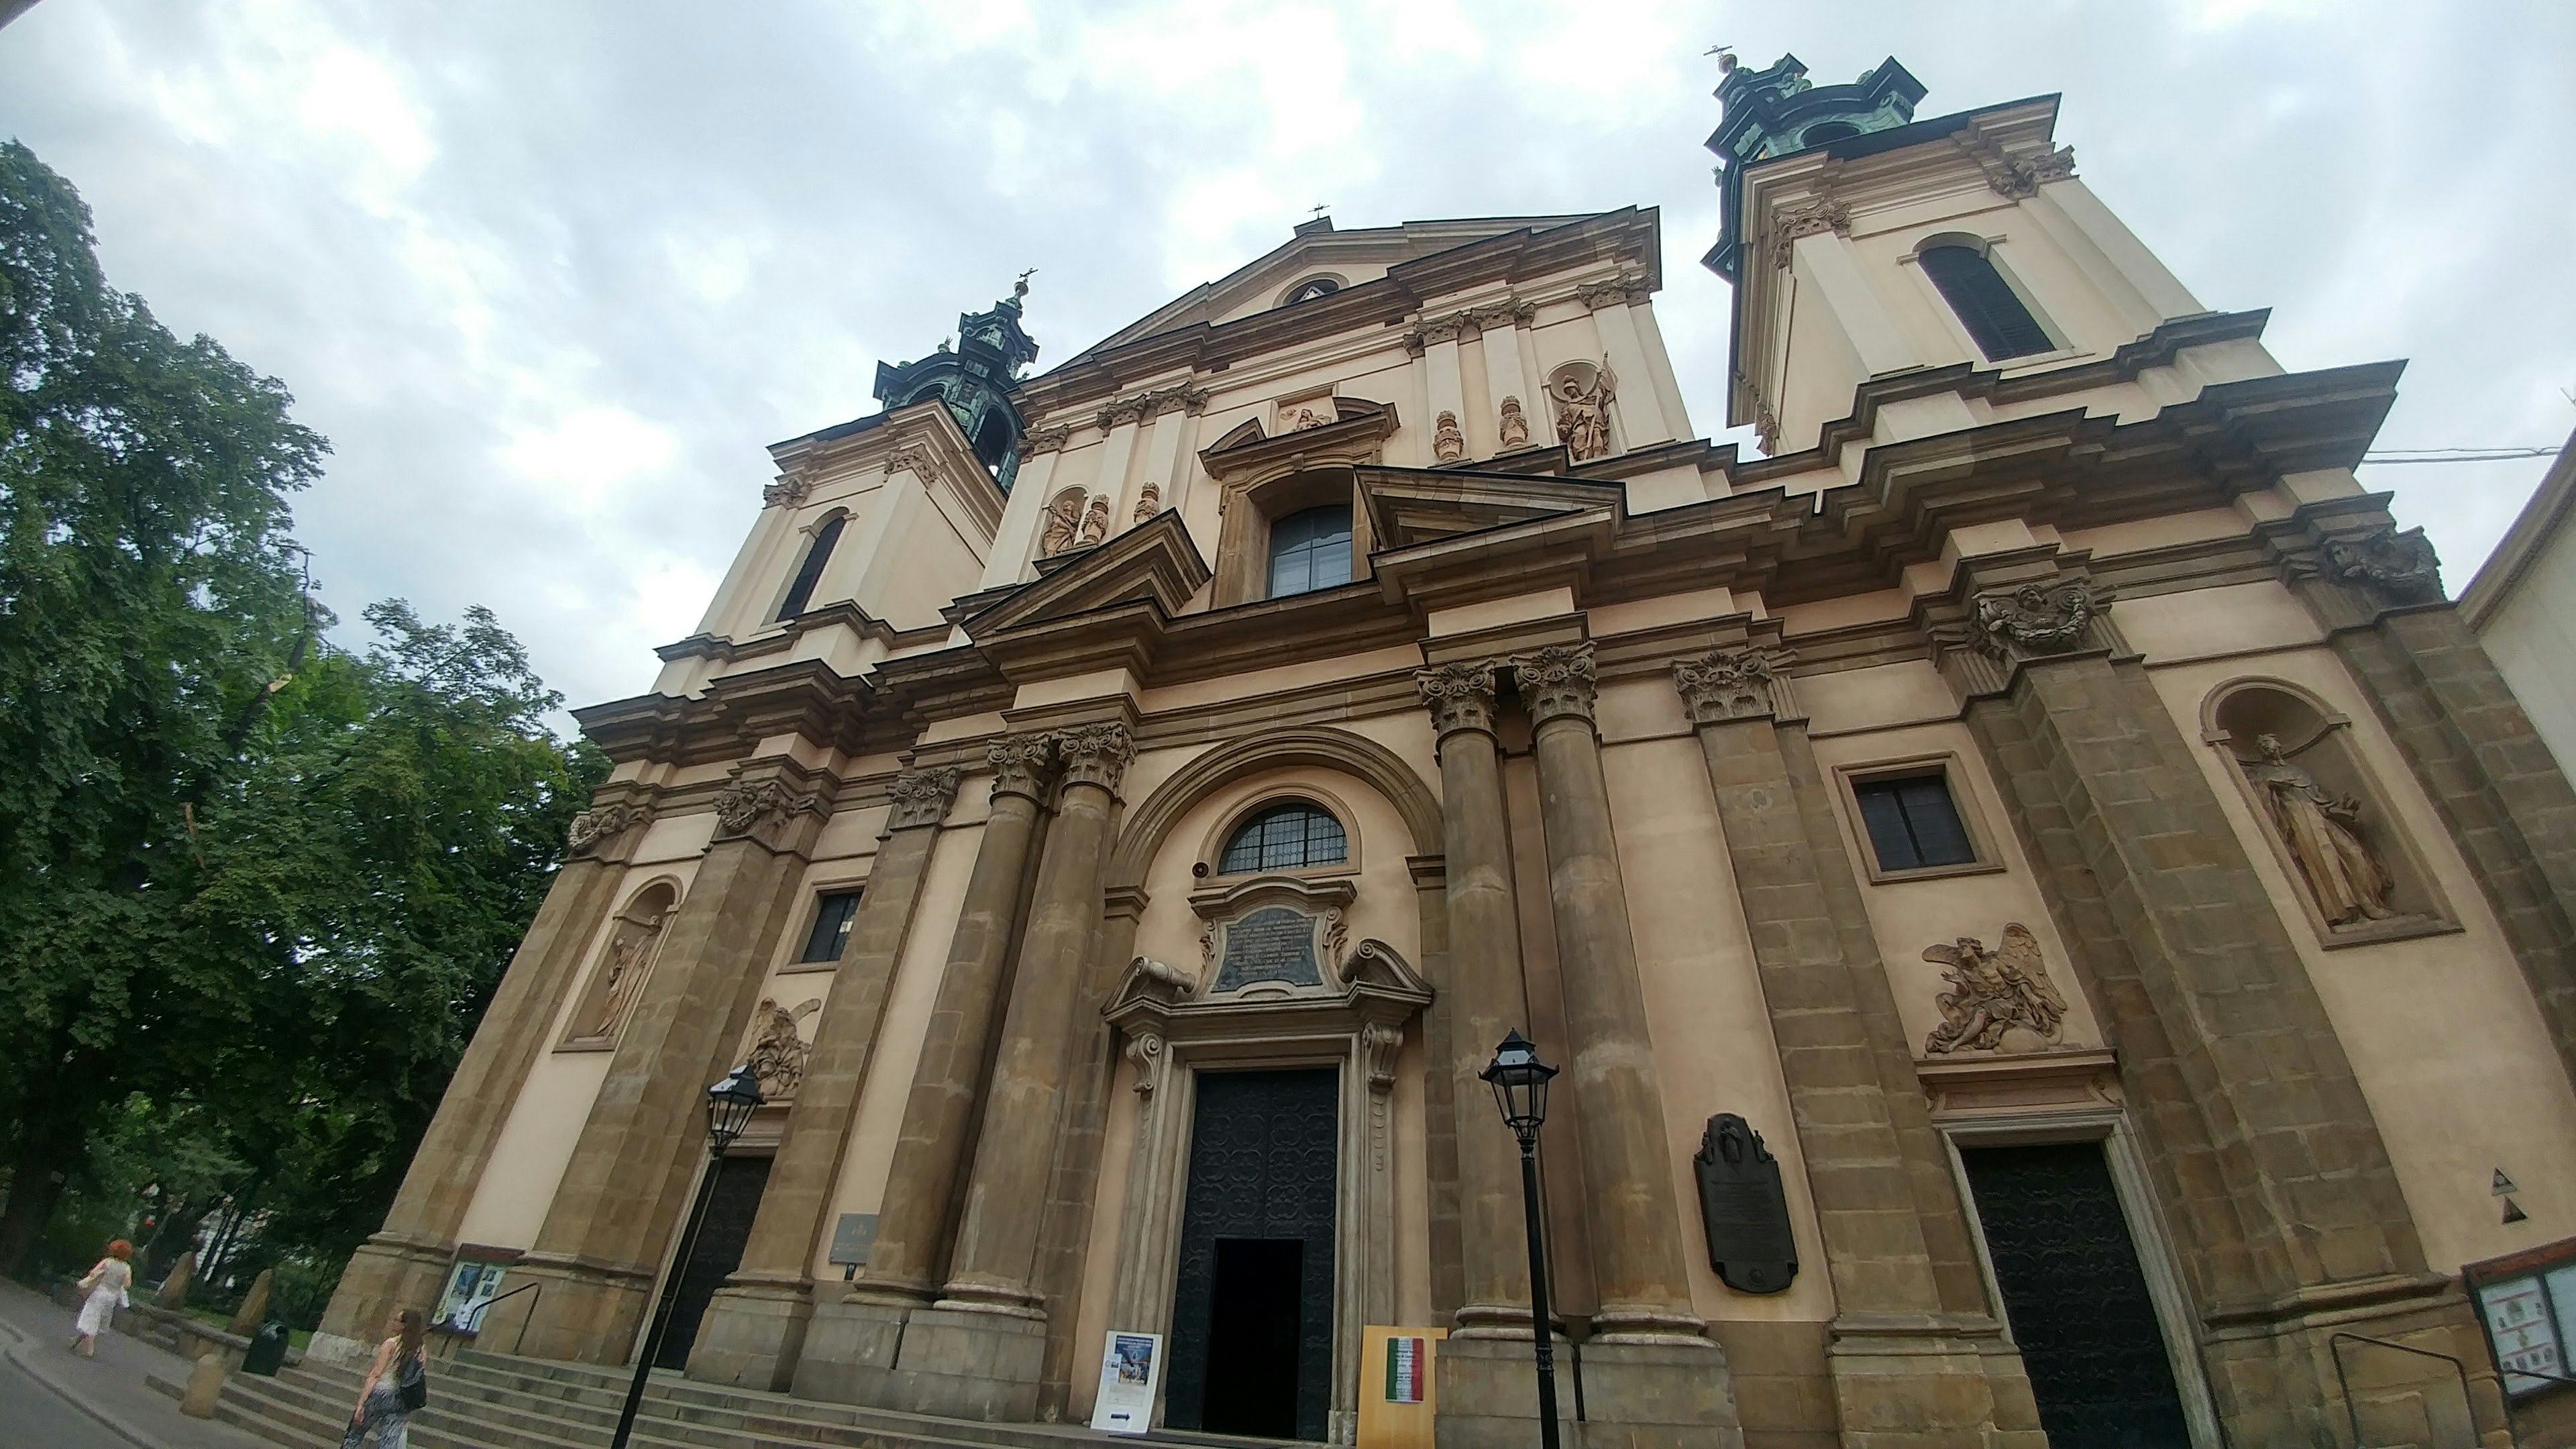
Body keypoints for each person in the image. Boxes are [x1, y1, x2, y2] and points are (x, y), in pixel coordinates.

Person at [343, 1307, 427, 1447]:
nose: (393, 1322)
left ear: (405, 1325)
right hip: (401, 1398)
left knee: (355, 1434)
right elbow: (416, 1377)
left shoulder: (391, 1344)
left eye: (397, 1320)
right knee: (389, 1441)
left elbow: (376, 1374)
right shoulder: (421, 1349)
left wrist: (361, 1403)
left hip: (381, 1392)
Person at [69, 1238, 133, 1356]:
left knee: (91, 1318)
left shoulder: (107, 1262)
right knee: (96, 1320)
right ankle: (76, 1341)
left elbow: (93, 1273)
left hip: (99, 1293)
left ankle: (89, 1349)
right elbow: (127, 1285)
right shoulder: (126, 1268)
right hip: (112, 1297)